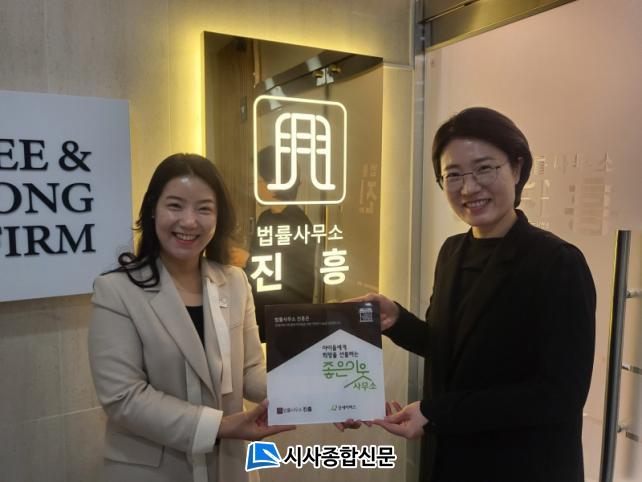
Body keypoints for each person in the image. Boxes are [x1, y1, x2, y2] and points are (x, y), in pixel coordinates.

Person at [362, 107, 596, 482]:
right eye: (453, 175)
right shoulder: (452, 251)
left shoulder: (557, 262)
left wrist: (437, 413)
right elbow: (450, 347)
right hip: (450, 460)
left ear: (517, 168)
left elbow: (560, 395)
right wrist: (397, 320)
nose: (469, 188)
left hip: (522, 465)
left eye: (484, 168)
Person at [88, 153, 294, 482]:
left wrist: (320, 398)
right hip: (154, 471)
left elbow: (251, 372)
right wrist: (221, 426)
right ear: (153, 209)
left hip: (230, 467)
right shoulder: (116, 291)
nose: (189, 221)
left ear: (218, 217)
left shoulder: (235, 282)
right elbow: (124, 398)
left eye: (204, 209)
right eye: (175, 206)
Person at [232, 146, 316, 341]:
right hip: (262, 313)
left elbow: (293, 280)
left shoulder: (297, 222)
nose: (254, 186)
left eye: (258, 180)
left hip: (286, 322)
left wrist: (248, 261)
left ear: (274, 183)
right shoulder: (266, 217)